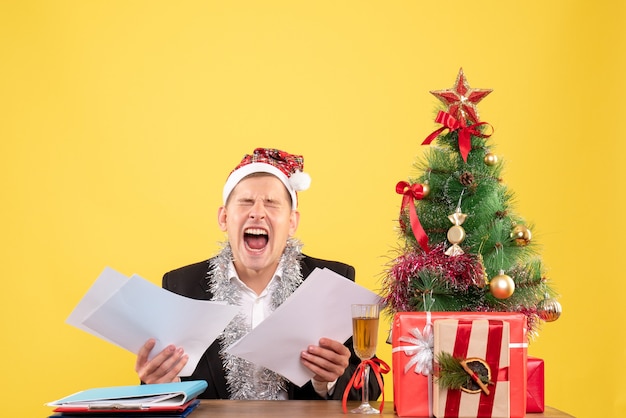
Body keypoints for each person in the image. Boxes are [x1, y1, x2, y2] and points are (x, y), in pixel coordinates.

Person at [135, 147, 383, 400]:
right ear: (224, 218)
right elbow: (163, 392)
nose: (257, 212)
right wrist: (159, 383)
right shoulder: (181, 286)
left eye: (272, 203)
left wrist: (331, 379)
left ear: (292, 223)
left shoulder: (332, 281)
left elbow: (371, 388)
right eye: (245, 202)